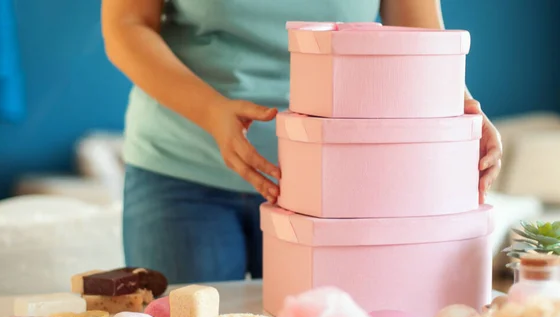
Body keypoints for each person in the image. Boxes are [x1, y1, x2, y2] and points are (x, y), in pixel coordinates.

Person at [101, 0, 502, 284]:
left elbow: (419, 37)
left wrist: (460, 106)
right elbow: (126, 24)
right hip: (182, 167)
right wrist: (211, 111)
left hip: (335, 187)